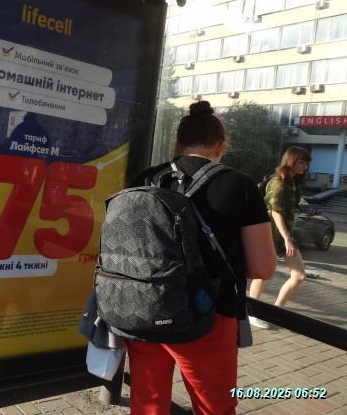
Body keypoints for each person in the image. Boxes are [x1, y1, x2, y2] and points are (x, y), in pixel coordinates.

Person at [126, 101, 276, 415]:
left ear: (177, 143)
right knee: (213, 407)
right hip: (207, 315)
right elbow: (262, 267)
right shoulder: (239, 185)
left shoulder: (146, 178)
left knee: (148, 403)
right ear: (221, 145)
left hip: (143, 307)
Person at [248, 146, 311, 329]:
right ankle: (252, 312)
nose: (305, 166)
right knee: (262, 274)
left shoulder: (292, 182)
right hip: (271, 234)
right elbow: (276, 212)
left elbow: (288, 209)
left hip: (283, 236)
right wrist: (287, 238)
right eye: (302, 162)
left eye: (306, 163)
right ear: (291, 161)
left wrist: (305, 210)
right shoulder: (279, 182)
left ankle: (275, 312)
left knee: (299, 276)